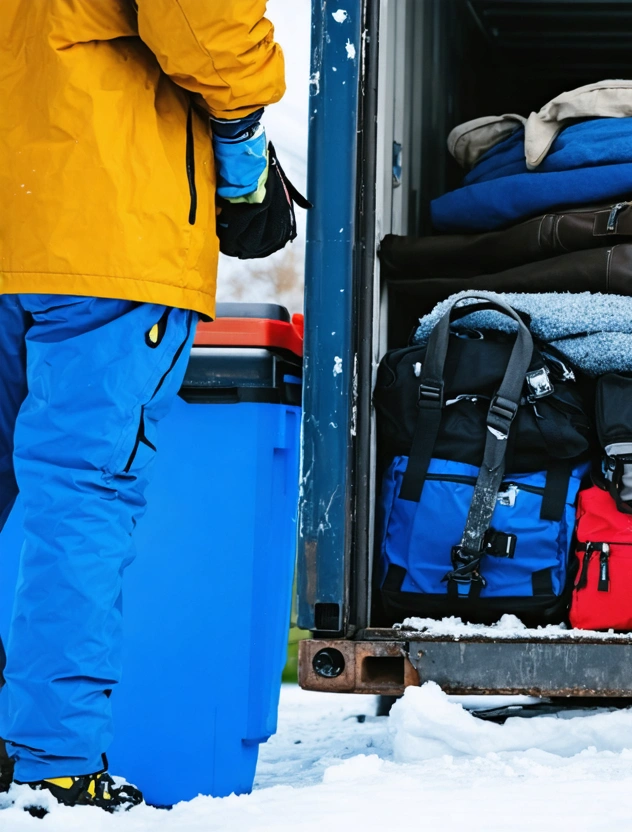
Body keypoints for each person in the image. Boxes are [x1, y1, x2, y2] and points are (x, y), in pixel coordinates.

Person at [0, 1, 286, 812]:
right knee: (82, 497)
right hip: (100, 228)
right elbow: (207, 25)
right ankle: (54, 765)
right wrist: (243, 135)